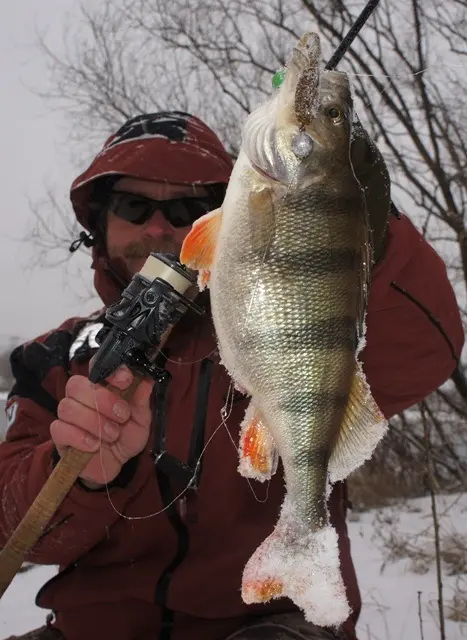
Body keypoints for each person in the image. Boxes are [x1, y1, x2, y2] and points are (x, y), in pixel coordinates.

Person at [0, 110, 463, 640]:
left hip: (269, 621)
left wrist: (347, 192)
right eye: (134, 206)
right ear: (100, 227)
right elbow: (12, 528)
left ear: (231, 216)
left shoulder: (293, 321)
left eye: (188, 208)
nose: (158, 228)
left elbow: (427, 346)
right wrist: (82, 472)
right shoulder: (53, 358)